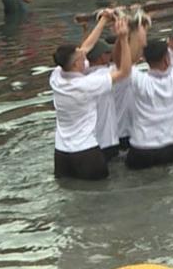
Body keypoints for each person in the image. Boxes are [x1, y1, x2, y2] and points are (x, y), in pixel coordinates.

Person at [51, 13, 132, 180]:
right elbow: (124, 71)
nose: (85, 56)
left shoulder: (56, 76)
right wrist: (123, 38)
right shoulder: (87, 84)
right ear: (76, 64)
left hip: (61, 153)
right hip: (85, 153)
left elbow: (86, 47)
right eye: (82, 58)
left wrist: (103, 20)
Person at [127, 8, 173, 169]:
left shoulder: (140, 80)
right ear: (167, 59)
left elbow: (128, 62)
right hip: (168, 147)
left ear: (144, 59)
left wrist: (137, 29)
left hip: (141, 148)